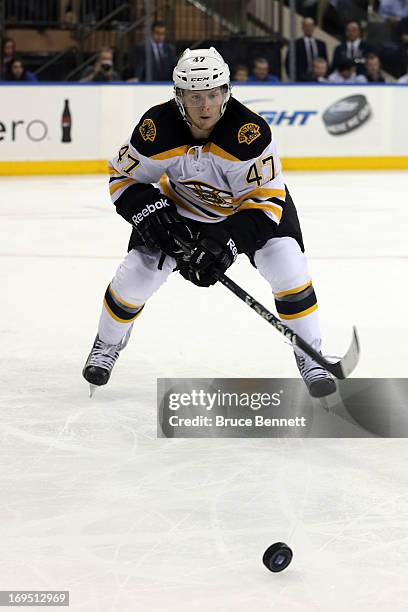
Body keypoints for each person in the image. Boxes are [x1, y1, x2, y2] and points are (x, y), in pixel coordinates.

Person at [82, 47, 336, 398]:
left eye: (214, 95)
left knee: (289, 268)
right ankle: (107, 343)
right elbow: (123, 178)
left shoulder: (249, 133)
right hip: (181, 209)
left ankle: (311, 355)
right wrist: (152, 214)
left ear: (226, 92)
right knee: (134, 278)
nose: (206, 107)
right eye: (196, 97)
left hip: (252, 213)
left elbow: (264, 203)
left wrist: (225, 244)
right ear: (179, 97)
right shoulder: (157, 128)